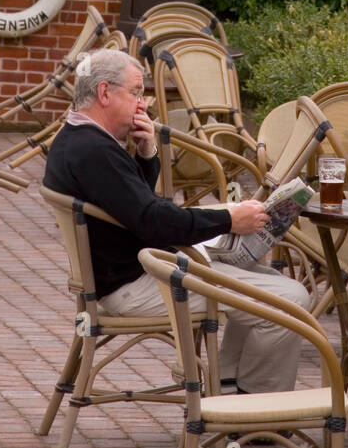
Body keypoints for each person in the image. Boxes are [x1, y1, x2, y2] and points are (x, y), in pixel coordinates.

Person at [43, 48, 312, 394]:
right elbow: (154, 220)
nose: (144, 104)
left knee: (269, 281)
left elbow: (136, 204)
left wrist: (146, 153)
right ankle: (254, 407)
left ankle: (230, 386)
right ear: (104, 93)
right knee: (290, 300)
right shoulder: (94, 152)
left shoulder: (79, 139)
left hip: (134, 271)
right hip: (137, 285)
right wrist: (229, 219)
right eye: (136, 92)